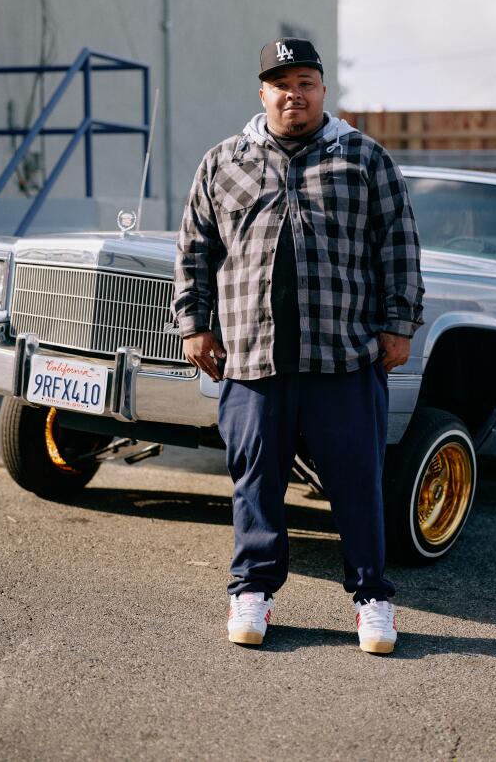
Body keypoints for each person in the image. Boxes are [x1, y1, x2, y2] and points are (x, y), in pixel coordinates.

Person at [172, 38, 424, 654]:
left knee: (358, 481)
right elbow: (196, 250)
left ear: (323, 90)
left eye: (306, 81)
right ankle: (252, 592)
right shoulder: (223, 162)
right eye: (281, 83)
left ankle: (372, 599)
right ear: (262, 93)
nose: (295, 94)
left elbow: (399, 245)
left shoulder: (364, 159)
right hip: (253, 357)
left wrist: (400, 323)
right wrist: (194, 323)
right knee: (255, 478)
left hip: (343, 355)